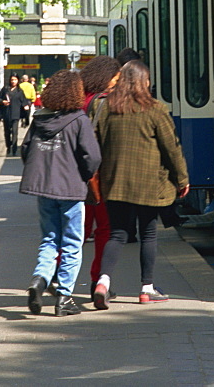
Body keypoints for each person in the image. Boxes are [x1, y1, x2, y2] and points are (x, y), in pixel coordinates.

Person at [91, 60, 188, 309]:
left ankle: (102, 282)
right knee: (148, 233)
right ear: (145, 82)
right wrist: (182, 179)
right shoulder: (156, 109)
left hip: (115, 183)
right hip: (149, 184)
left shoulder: (107, 109)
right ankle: (146, 289)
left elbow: (95, 146)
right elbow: (171, 148)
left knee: (117, 234)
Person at [20, 70, 101, 317]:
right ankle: (65, 297)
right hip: (71, 190)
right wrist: (85, 175)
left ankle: (40, 279)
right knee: (72, 243)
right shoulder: (79, 120)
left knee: (49, 239)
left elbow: (26, 150)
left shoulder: (39, 119)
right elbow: (92, 156)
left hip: (43, 189)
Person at [78, 56, 121, 295]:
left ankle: (53, 274)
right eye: (115, 79)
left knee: (77, 229)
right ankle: (99, 280)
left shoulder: (76, 98)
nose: (116, 84)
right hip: (100, 174)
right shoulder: (104, 102)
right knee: (104, 228)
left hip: (75, 173)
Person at [0, 74, 28, 155]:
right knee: (7, 132)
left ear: (18, 81)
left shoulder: (19, 91)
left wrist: (26, 106)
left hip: (15, 114)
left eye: (15, 80)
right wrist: (3, 101)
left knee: (15, 132)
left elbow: (24, 101)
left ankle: (14, 149)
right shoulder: (5, 89)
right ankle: (8, 146)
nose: (13, 81)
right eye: (12, 80)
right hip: (6, 113)